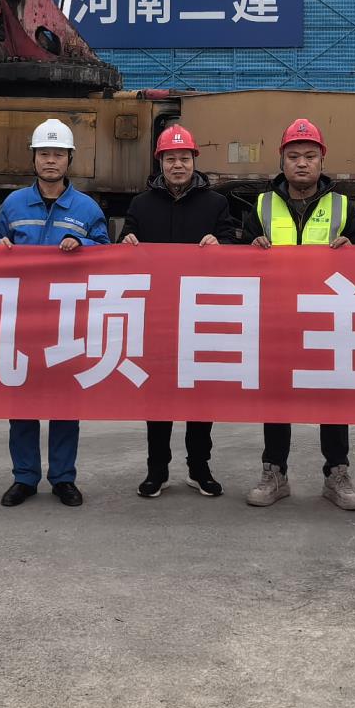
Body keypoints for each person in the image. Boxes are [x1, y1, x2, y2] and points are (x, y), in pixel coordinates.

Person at [121, 123, 249, 497]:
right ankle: (157, 469)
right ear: (160, 163)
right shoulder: (141, 205)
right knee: (158, 395)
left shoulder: (215, 203)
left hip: (201, 313)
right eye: (170, 159)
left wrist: (220, 243)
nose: (177, 165)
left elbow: (232, 244)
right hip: (157, 315)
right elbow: (124, 245)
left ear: (194, 160)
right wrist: (126, 242)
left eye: (184, 158)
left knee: (200, 395)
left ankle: (199, 467)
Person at [246, 117, 355, 511]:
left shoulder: (342, 205)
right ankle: (274, 472)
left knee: (333, 397)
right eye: (293, 156)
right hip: (277, 317)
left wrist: (353, 249)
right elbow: (237, 254)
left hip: (327, 317)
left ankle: (337, 473)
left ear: (321, 160)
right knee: (277, 396)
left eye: (309, 156)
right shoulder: (261, 205)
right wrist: (249, 247)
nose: (301, 163)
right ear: (281, 161)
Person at [0, 118, 107, 505]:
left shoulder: (87, 208)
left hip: (67, 320)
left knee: (65, 403)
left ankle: (63, 478)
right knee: (22, 401)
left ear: (69, 159)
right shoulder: (13, 204)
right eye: (44, 154)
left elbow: (107, 254)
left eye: (58, 154)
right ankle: (24, 477)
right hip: (22, 318)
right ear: (34, 158)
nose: (51, 160)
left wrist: (83, 244)